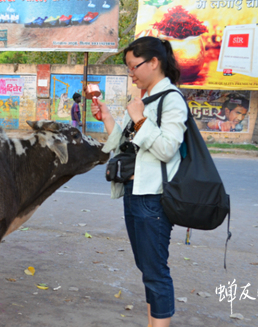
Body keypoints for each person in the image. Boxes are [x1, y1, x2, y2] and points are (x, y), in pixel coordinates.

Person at [91, 36, 187, 327]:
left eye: (134, 66)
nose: (130, 73)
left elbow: (167, 149)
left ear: (154, 63)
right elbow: (126, 147)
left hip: (154, 197)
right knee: (146, 267)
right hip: (135, 191)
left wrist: (141, 120)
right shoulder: (143, 101)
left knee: (155, 271)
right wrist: (108, 119)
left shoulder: (171, 100)